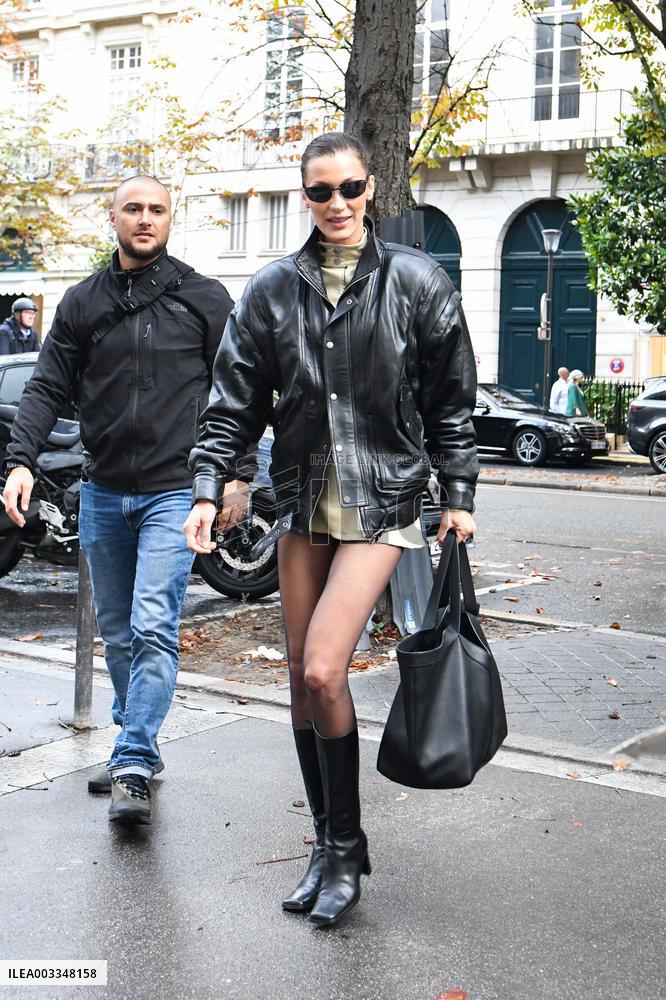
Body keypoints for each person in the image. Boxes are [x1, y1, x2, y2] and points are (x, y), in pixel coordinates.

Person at [184, 132, 479, 927]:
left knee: (323, 668)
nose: (337, 203)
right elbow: (233, 402)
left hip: (383, 500)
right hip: (303, 498)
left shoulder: (415, 280)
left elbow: (452, 399)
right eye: (321, 191)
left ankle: (347, 849)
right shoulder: (272, 290)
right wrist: (211, 488)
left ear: (370, 187)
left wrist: (458, 493)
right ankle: (325, 845)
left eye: (350, 187)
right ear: (304, 196)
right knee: (297, 679)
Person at [2, 175, 251, 827]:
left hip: (177, 491)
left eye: (156, 210)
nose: (145, 219)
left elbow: (238, 391)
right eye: (133, 209)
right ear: (111, 218)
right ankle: (132, 739)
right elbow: (46, 386)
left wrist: (237, 475)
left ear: (171, 219)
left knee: (151, 623)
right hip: (104, 491)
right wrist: (21, 461)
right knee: (116, 632)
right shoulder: (83, 302)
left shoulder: (205, 298)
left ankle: (134, 760)